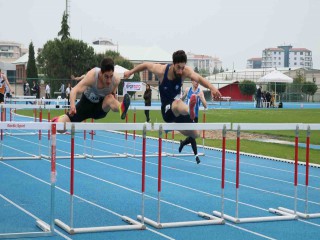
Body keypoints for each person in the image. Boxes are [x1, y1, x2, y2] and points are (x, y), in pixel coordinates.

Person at [124, 50, 221, 164]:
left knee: (196, 134)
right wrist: (131, 71)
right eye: (178, 67)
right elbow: (145, 65)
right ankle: (190, 110)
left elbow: (199, 78)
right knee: (178, 103)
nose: (180, 71)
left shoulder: (185, 71)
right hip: (167, 110)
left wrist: (212, 88)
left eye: (182, 67)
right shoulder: (161, 71)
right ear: (173, 64)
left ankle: (178, 123)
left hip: (178, 111)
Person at [51, 58, 131, 132]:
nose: (109, 81)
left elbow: (113, 96)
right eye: (106, 77)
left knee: (110, 98)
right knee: (60, 128)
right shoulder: (92, 76)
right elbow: (74, 90)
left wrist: (114, 98)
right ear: (101, 73)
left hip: (100, 108)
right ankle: (59, 119)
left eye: (111, 76)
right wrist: (72, 106)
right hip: (85, 106)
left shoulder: (116, 80)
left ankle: (121, 108)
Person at [180, 79, 207, 163]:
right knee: (192, 136)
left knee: (193, 136)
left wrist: (201, 98)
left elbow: (205, 105)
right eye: (195, 81)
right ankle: (196, 156)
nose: (197, 83)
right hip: (187, 116)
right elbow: (181, 99)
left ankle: (183, 143)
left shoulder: (200, 92)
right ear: (192, 81)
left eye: (198, 82)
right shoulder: (188, 90)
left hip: (195, 117)